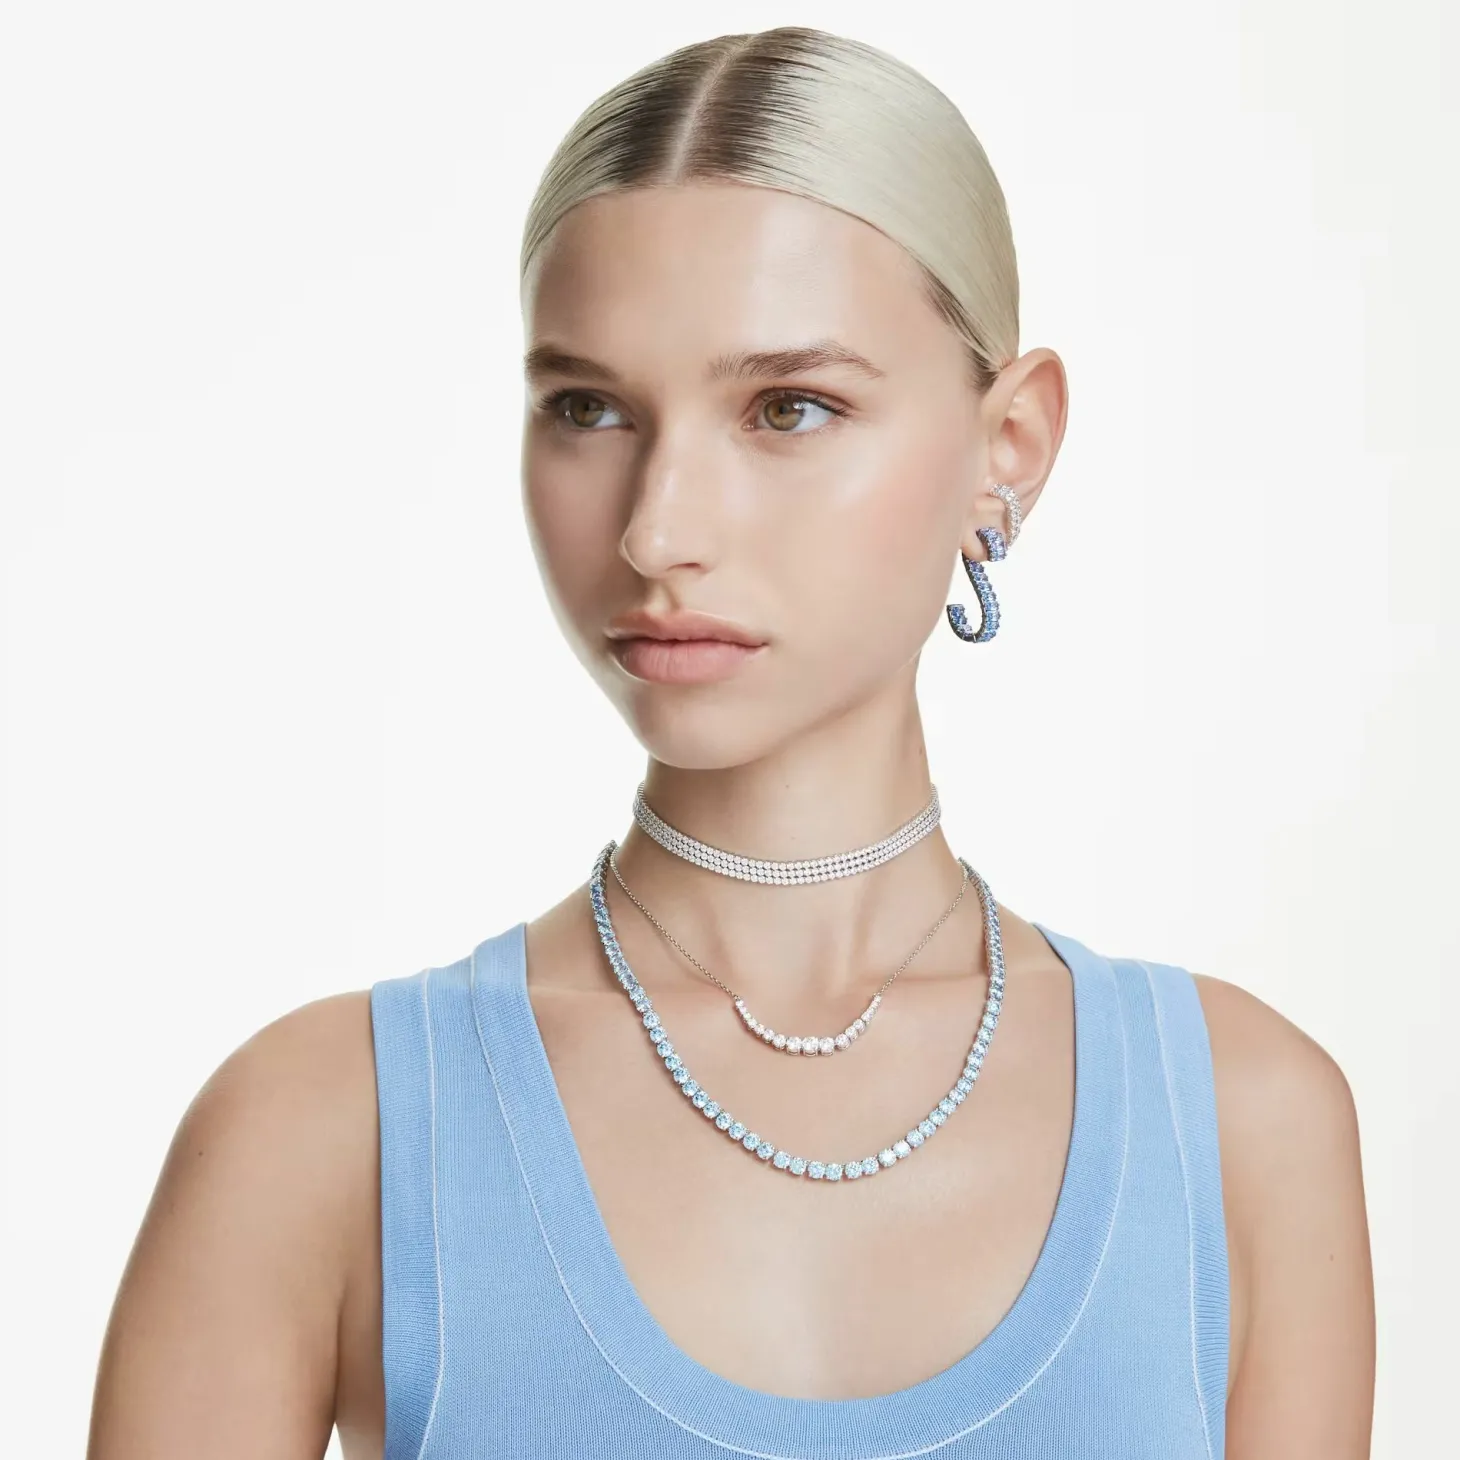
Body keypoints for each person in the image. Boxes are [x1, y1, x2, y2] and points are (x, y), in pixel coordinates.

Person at [87, 24, 1375, 1460]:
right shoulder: (323, 1135)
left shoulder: (1241, 1133)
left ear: (1008, 447)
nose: (657, 528)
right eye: (587, 409)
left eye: (788, 408)